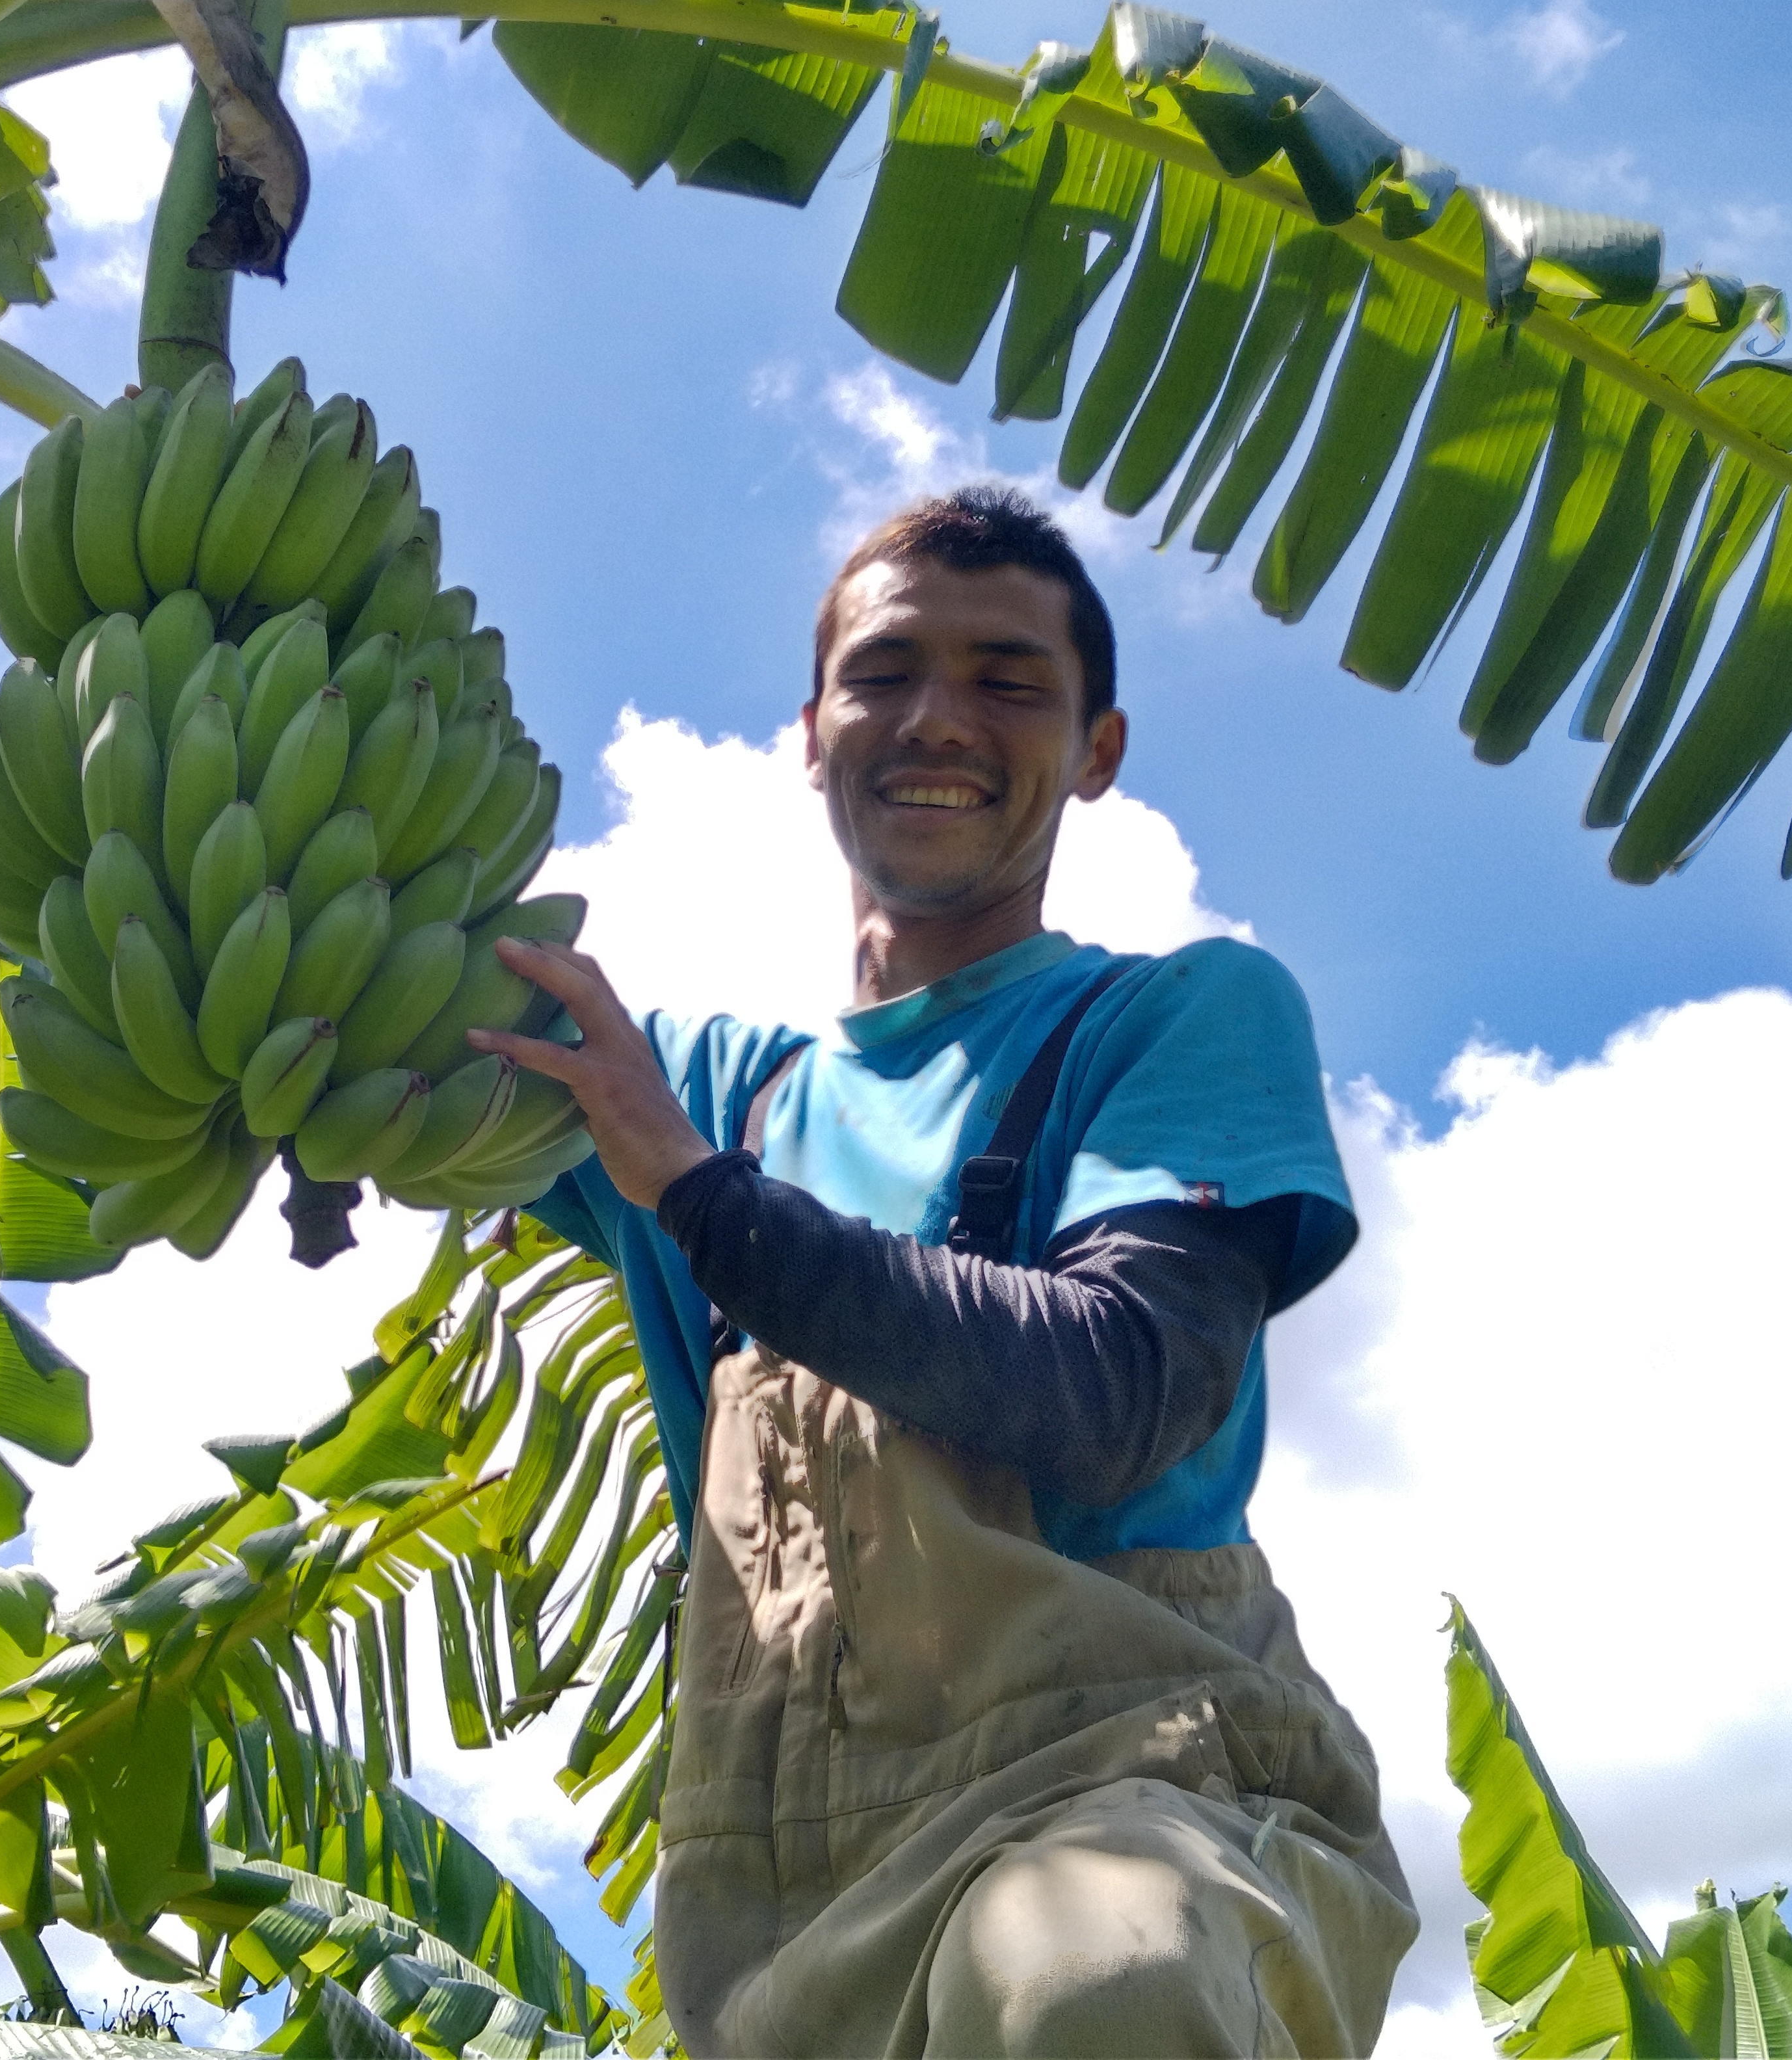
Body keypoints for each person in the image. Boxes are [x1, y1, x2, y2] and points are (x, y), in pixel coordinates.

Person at [470, 485, 1417, 2057]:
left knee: (1094, 1990)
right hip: (773, 1902)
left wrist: (699, 1197)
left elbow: (1116, 1387)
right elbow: (357, 1004)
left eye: (1006, 680)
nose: (937, 720)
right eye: (887, 671)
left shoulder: (1174, 1018)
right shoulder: (699, 1081)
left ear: (1095, 750)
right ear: (811, 726)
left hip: (1121, 1786)